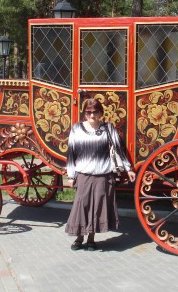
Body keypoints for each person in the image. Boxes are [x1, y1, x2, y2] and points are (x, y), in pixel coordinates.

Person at [65, 98, 136, 251]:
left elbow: (118, 149)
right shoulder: (76, 129)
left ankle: (91, 239)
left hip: (103, 176)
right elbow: (71, 154)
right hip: (84, 175)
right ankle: (79, 237)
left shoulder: (108, 128)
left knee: (97, 208)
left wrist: (128, 168)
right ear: (84, 114)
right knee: (81, 206)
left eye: (95, 112)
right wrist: (71, 176)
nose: (92, 115)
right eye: (88, 112)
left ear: (101, 113)